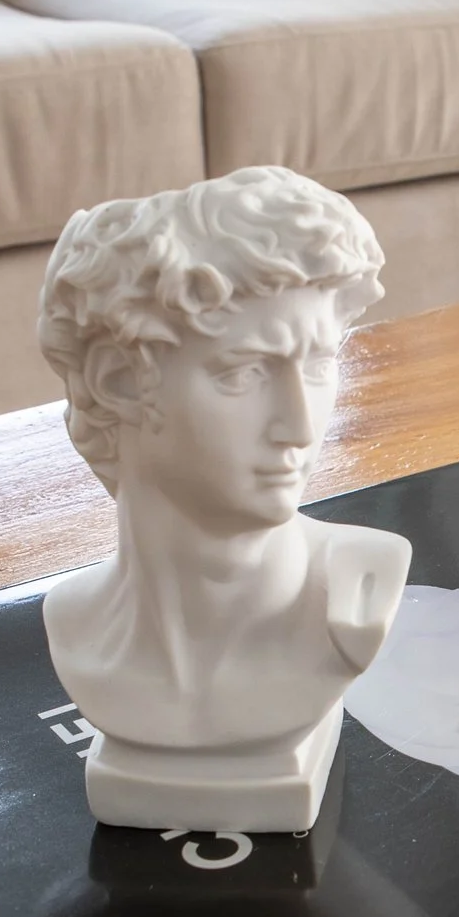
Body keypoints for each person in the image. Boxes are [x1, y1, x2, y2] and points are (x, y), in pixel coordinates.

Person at [37, 166, 409, 831]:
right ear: (120, 381)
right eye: (245, 373)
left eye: (318, 364)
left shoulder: (357, 592)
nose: (300, 426)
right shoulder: (76, 626)